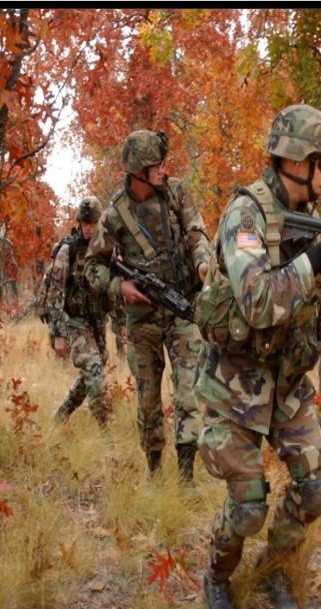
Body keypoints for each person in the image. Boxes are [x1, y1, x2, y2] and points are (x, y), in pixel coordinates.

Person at [193, 104, 321, 609]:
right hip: (235, 384)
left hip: (286, 384)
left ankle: (275, 569)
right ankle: (217, 574)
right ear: (295, 161)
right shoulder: (246, 217)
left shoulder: (312, 223)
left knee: (318, 487)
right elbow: (256, 301)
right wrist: (318, 260)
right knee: (249, 505)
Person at [84, 129, 211, 483]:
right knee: (149, 401)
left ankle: (185, 479)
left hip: (183, 308)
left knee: (189, 391)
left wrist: (203, 263)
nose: (163, 171)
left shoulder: (176, 193)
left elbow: (197, 233)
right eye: (156, 166)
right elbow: (91, 266)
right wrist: (119, 285)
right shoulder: (114, 214)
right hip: (142, 321)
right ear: (138, 171)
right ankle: (155, 475)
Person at [46, 196, 112, 427]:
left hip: (97, 320)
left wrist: (121, 325)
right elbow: (55, 293)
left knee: (92, 371)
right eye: (85, 224)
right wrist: (58, 334)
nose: (89, 229)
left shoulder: (106, 249)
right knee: (94, 371)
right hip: (74, 321)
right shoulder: (68, 250)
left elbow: (116, 287)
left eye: (93, 224)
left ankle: (61, 415)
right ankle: (108, 435)